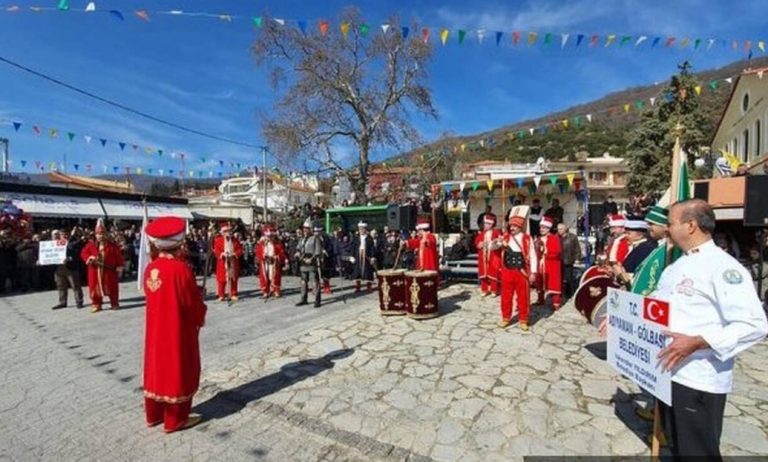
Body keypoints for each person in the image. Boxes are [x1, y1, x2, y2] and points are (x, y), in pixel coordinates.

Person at [653, 199, 767, 458]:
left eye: (671, 223)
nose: (667, 229)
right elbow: (656, 307)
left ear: (691, 225)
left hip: (699, 378)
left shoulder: (723, 267)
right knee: (678, 446)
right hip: (669, 373)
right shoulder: (675, 267)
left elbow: (754, 324)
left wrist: (699, 341)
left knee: (698, 452)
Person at [142, 216, 206, 433]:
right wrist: (200, 306)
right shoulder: (181, 269)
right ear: (178, 242)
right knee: (178, 367)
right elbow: (190, 304)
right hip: (177, 329)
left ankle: (154, 414)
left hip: (155, 330)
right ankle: (175, 419)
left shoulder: (150, 268)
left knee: (157, 367)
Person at [495, 214, 538, 331]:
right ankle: (505, 318)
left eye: (515, 226)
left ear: (520, 226)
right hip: (507, 270)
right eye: (511, 225)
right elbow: (493, 247)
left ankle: (523, 319)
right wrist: (497, 242)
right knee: (506, 296)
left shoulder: (527, 239)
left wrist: (533, 272)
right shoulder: (505, 237)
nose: (512, 228)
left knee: (523, 296)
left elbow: (533, 256)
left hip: (521, 271)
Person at [81, 220, 124, 312]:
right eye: (98, 234)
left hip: (109, 271)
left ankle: (114, 303)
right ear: (95, 235)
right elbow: (83, 253)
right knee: (94, 287)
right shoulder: (90, 245)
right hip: (94, 271)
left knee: (112, 287)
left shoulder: (112, 246)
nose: (101, 236)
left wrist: (119, 266)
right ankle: (96, 303)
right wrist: (89, 258)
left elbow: (119, 257)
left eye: (103, 234)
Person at [612, 218, 657, 286]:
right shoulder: (636, 246)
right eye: (625, 233)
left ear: (640, 235)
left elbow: (641, 275)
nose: (626, 236)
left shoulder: (645, 249)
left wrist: (621, 274)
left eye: (628, 233)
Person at [52, 229, 84, 310]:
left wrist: (69, 258)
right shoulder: (55, 244)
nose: (64, 236)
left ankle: (79, 301)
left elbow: (77, 255)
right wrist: (42, 261)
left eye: (66, 234)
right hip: (59, 268)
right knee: (61, 286)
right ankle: (62, 302)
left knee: (75, 285)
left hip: (71, 267)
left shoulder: (73, 243)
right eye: (62, 234)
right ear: (60, 235)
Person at [535, 216, 562, 310]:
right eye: (541, 227)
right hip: (541, 264)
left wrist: (545, 252)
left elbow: (557, 252)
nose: (541, 229)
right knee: (539, 281)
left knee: (553, 282)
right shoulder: (538, 239)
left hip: (551, 264)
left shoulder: (554, 238)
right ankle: (540, 299)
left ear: (548, 228)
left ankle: (556, 303)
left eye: (543, 227)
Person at [295, 219, 323, 308]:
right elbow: (298, 248)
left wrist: (312, 259)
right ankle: (304, 299)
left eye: (306, 228)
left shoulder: (315, 238)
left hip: (311, 263)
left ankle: (317, 300)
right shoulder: (302, 239)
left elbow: (318, 251)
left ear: (310, 229)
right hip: (303, 263)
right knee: (303, 282)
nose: (304, 230)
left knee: (314, 282)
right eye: (304, 229)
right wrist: (298, 252)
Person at [213, 223, 243, 302]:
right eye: (226, 231)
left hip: (233, 261)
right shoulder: (218, 240)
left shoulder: (235, 240)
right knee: (221, 279)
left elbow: (240, 250)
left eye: (229, 231)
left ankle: (233, 294)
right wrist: (222, 254)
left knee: (233, 278)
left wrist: (235, 254)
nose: (228, 233)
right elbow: (216, 250)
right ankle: (221, 295)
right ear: (222, 232)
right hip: (223, 263)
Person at [254, 225, 285, 299]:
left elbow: (282, 253)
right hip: (265, 263)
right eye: (267, 236)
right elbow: (257, 253)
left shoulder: (277, 244)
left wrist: (276, 257)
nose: (269, 238)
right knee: (265, 277)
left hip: (274, 263)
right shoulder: (261, 244)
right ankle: (265, 292)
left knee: (275, 277)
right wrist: (263, 256)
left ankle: (276, 291)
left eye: (270, 236)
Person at [475, 213, 501, 297]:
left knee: (493, 273)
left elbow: (501, 241)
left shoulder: (496, 232)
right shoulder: (481, 234)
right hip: (483, 257)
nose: (486, 225)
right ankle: (485, 289)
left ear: (492, 224)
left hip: (493, 257)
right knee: (483, 274)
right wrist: (479, 244)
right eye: (485, 223)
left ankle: (494, 290)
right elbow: (477, 243)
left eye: (488, 223)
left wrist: (496, 241)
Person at [557, 223, 581, 299]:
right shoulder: (556, 237)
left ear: (565, 229)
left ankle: (570, 293)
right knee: (559, 277)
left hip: (568, 259)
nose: (559, 231)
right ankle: (560, 292)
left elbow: (577, 249)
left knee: (569, 278)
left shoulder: (572, 237)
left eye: (561, 229)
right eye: (558, 229)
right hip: (558, 260)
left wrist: (577, 258)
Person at [351, 221, 376, 293]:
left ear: (365, 229)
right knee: (357, 271)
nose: (361, 230)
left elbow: (372, 248)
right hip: (358, 255)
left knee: (368, 271)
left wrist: (372, 256)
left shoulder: (369, 238)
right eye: (360, 229)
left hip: (366, 255)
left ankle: (369, 287)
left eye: (362, 229)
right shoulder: (356, 238)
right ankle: (357, 287)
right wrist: (352, 256)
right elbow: (353, 247)